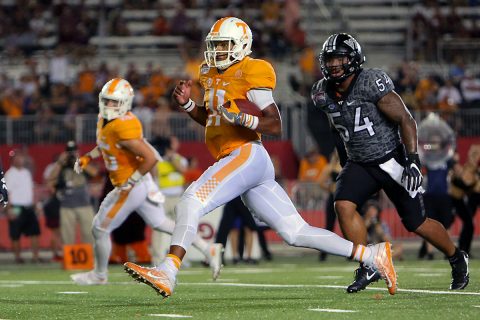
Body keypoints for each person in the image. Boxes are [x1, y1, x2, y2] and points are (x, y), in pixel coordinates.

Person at [124, 17, 397, 298]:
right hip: (242, 159)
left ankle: (168, 271)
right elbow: (213, 119)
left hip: (245, 153)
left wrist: (242, 117)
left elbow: (275, 124)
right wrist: (190, 105)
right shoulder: (210, 74)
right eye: (215, 45)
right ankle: (372, 256)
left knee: (190, 202)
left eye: (224, 45)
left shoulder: (252, 71)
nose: (217, 51)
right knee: (295, 232)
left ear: (241, 46)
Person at [310, 33, 469, 292]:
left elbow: (406, 119)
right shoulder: (321, 93)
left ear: (353, 59)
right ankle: (368, 265)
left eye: (340, 58)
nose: (334, 64)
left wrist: (413, 160)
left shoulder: (371, 82)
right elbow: (336, 127)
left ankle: (456, 257)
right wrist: (343, 161)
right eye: (330, 59)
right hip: (360, 163)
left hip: (390, 160)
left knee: (416, 222)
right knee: (343, 205)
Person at [70, 78, 222, 285]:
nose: (109, 106)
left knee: (99, 228)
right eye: (107, 101)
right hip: (138, 184)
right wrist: (88, 157)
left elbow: (151, 157)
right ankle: (208, 248)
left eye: (114, 102)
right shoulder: (105, 120)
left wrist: (130, 181)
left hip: (131, 185)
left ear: (124, 103)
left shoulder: (124, 125)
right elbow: (105, 144)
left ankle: (99, 274)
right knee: (162, 223)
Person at [47, 141, 97, 245]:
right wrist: (60, 162)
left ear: (78, 152)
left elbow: (94, 172)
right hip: (67, 206)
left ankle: (90, 257)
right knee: (67, 236)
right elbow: (50, 178)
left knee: (89, 233)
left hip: (84, 204)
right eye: (69, 152)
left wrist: (79, 160)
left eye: (73, 151)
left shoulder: (82, 162)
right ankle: (69, 258)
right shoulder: (62, 166)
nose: (71, 154)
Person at [4, 149, 41, 263]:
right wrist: (9, 209)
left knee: (35, 232)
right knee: (15, 234)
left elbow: (31, 189)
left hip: (28, 206)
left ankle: (35, 256)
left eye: (21, 157)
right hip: (16, 207)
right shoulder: (9, 174)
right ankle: (17, 257)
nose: (20, 159)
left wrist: (36, 204)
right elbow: (7, 193)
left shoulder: (26, 172)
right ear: (13, 160)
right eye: (17, 157)